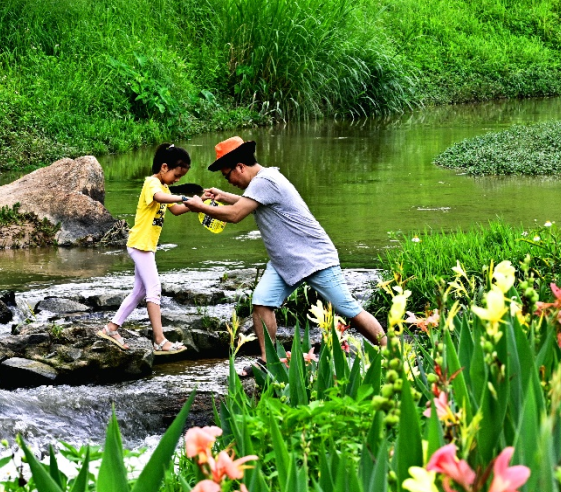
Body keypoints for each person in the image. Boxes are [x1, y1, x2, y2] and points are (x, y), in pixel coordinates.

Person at [187, 136, 386, 374]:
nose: (229, 181)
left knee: (346, 308)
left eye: (227, 174)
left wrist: (198, 206)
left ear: (240, 167)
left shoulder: (264, 181)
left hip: (314, 259)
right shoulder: (263, 181)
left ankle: (390, 350)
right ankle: (268, 361)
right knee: (261, 302)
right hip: (284, 262)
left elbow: (235, 215)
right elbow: (251, 203)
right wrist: (223, 196)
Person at [99, 143, 204, 355]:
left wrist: (199, 203)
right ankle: (159, 340)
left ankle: (111, 328)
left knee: (139, 291)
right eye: (177, 175)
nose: (177, 180)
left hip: (146, 246)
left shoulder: (164, 187)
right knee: (154, 289)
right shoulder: (151, 184)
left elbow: (175, 210)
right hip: (140, 245)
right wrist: (183, 196)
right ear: (164, 167)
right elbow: (160, 198)